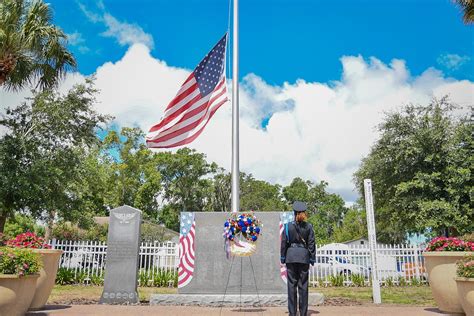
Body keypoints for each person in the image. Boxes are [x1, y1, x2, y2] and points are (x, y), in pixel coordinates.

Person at [280, 201, 316, 316]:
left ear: (294, 212)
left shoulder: (287, 226)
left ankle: (292, 313)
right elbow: (311, 243)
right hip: (303, 257)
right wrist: (312, 258)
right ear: (303, 213)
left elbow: (284, 243)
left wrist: (282, 257)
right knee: (303, 286)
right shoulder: (309, 226)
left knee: (291, 286)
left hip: (291, 257)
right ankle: (303, 313)